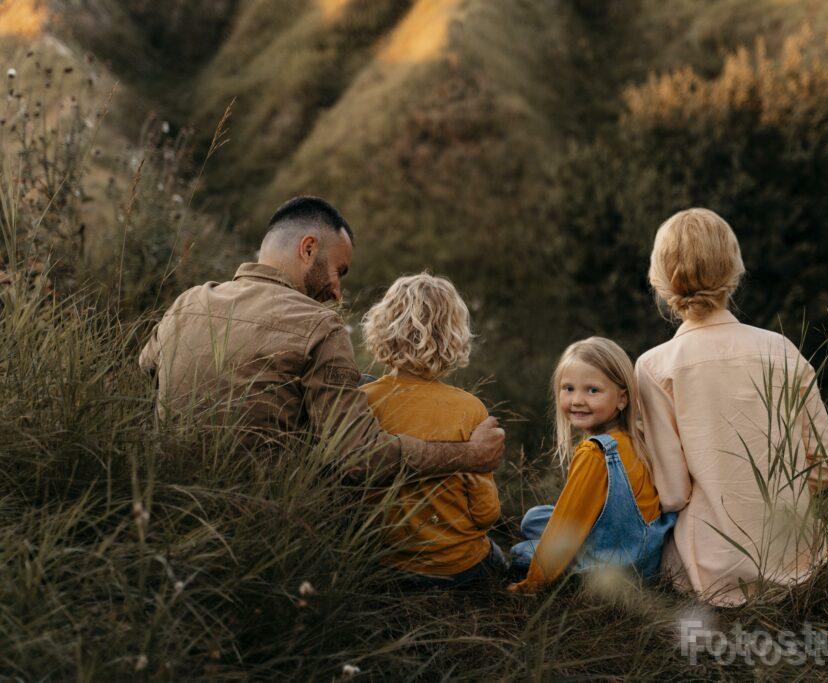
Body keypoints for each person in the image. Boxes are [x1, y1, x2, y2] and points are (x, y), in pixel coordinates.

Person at [138, 196, 504, 479]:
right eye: (338, 271)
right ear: (308, 248)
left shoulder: (189, 302)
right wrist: (469, 455)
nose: (337, 291)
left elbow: (148, 370)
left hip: (164, 497)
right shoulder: (318, 325)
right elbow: (358, 456)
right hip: (262, 522)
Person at [635, 207, 828, 607]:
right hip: (800, 563)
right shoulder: (781, 350)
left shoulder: (655, 367)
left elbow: (673, 494)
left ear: (658, 281)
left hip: (707, 572)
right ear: (735, 272)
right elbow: (827, 464)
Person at [360, 273, 507, 587]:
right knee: (504, 558)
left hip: (386, 566)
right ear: (453, 336)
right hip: (459, 567)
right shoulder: (470, 410)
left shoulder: (362, 402)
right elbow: (486, 513)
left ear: (381, 327)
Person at [507, 337, 676, 593]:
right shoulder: (635, 439)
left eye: (592, 390)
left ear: (622, 399)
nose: (577, 400)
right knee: (534, 518)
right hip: (644, 556)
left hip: (612, 567)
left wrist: (532, 583)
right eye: (568, 388)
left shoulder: (594, 453)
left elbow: (567, 524)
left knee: (521, 552)